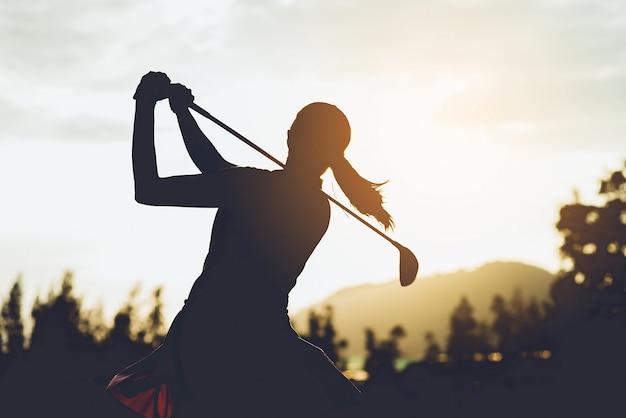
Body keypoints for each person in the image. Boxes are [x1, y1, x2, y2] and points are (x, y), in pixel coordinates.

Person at [108, 71, 393, 418]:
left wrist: (146, 103)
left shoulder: (250, 187)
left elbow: (150, 189)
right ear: (335, 155)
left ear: (290, 137)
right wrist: (182, 115)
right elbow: (217, 168)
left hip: (209, 338)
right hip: (266, 339)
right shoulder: (319, 210)